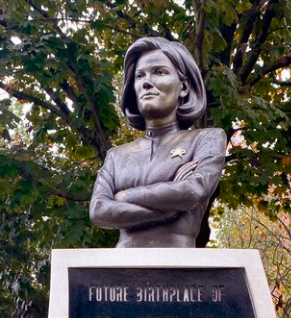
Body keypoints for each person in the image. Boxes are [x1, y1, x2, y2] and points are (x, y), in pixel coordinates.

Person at [89, 37, 227, 248]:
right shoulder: (116, 156)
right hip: (122, 267)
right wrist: (170, 209)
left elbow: (192, 191)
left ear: (184, 87)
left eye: (159, 72)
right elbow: (99, 210)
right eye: (139, 75)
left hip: (180, 267)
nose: (146, 82)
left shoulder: (206, 139)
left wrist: (124, 195)